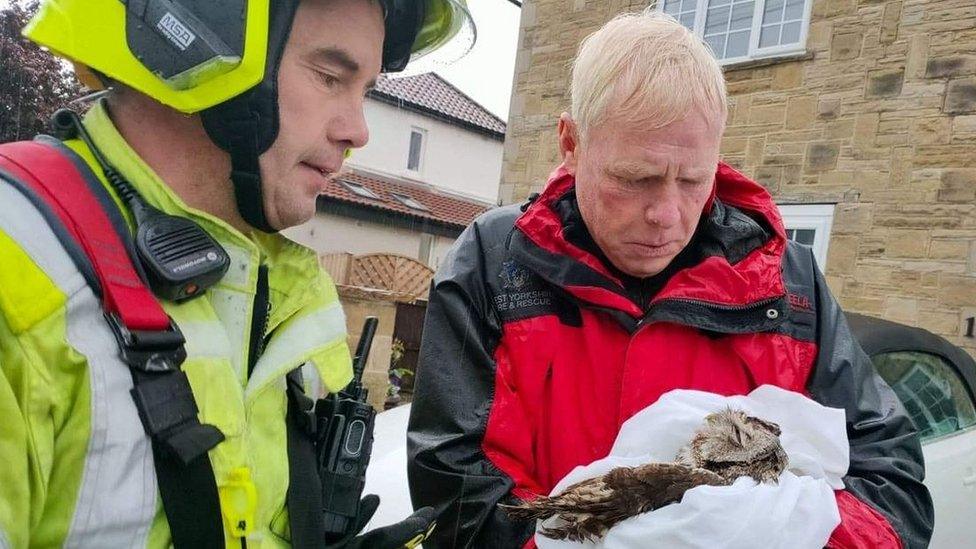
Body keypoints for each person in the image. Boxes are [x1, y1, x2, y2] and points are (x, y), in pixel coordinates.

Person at [407, 9, 933, 549]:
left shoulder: (786, 281)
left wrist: (778, 533)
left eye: (693, 180)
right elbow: (456, 491)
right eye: (635, 179)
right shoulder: (495, 264)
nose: (666, 214)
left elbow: (891, 484)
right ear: (570, 142)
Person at [0, 0, 474, 547]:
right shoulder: (20, 265)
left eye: (364, 91)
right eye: (329, 77)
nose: (357, 130)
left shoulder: (281, 289)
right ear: (190, 37)